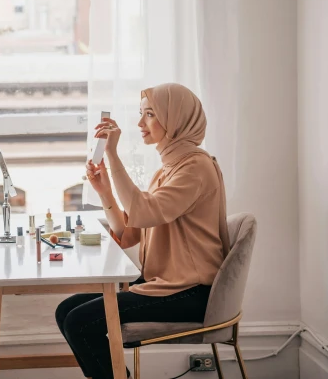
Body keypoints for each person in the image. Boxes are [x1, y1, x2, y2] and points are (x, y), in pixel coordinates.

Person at [55, 83, 231, 379]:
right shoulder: (167, 170)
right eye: (141, 114)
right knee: (67, 311)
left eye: (149, 114)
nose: (140, 124)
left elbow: (143, 212)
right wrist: (105, 191)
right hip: (167, 283)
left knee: (80, 322)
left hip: (190, 291)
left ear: (175, 119)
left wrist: (112, 154)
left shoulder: (195, 168)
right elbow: (129, 234)